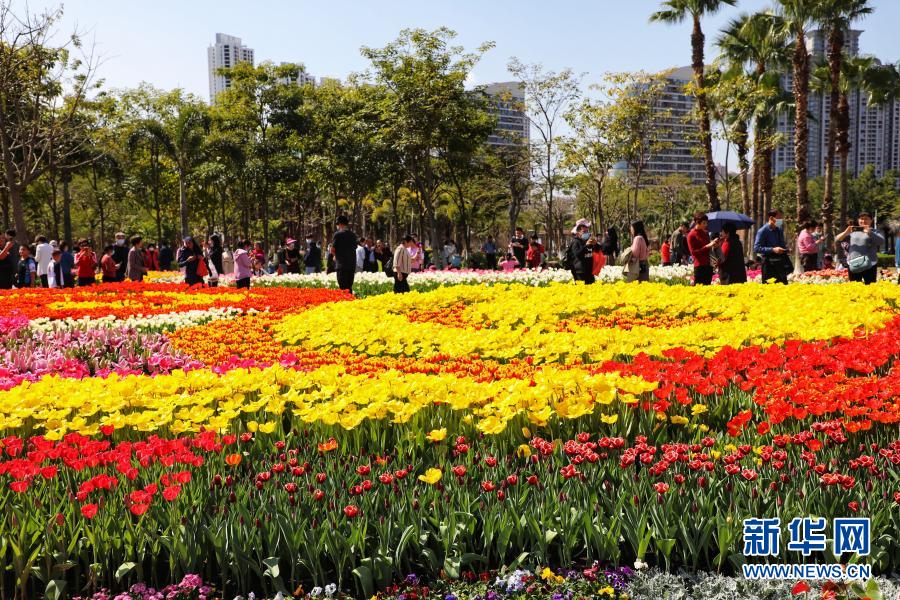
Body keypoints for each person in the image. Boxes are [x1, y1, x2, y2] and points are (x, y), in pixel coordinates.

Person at [835, 212, 884, 285]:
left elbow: (881, 241)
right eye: (861, 219)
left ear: (871, 220)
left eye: (866, 219)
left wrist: (870, 233)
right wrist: (846, 232)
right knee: (854, 287)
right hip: (854, 264)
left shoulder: (874, 231)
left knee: (870, 287)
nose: (863, 221)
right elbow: (837, 239)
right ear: (858, 220)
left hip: (870, 264)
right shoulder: (853, 231)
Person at [754, 210, 791, 284]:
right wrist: (773, 249)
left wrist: (786, 250)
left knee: (783, 286)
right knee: (770, 287)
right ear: (771, 218)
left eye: (781, 218)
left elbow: (781, 245)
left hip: (780, 263)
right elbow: (757, 248)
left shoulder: (779, 230)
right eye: (779, 218)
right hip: (768, 264)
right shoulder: (763, 231)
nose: (781, 220)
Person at [687, 212, 719, 286]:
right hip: (699, 266)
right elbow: (693, 252)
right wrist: (707, 246)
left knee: (708, 288)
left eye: (706, 223)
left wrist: (714, 244)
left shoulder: (705, 233)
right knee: (699, 289)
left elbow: (709, 248)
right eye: (704, 223)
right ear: (697, 222)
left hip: (709, 264)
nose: (706, 225)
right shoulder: (691, 235)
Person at [331, 215, 358, 293]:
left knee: (342, 288)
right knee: (349, 287)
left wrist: (335, 255)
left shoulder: (338, 234)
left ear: (340, 224)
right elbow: (355, 247)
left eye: (337, 224)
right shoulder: (353, 235)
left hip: (341, 266)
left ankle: (344, 300)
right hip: (351, 266)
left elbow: (332, 249)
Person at [564, 219, 596, 285]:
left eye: (587, 231)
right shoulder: (575, 242)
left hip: (589, 270)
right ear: (578, 233)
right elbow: (578, 254)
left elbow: (595, 251)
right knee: (581, 289)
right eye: (584, 231)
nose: (586, 233)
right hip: (580, 271)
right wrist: (586, 245)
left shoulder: (587, 241)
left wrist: (595, 245)